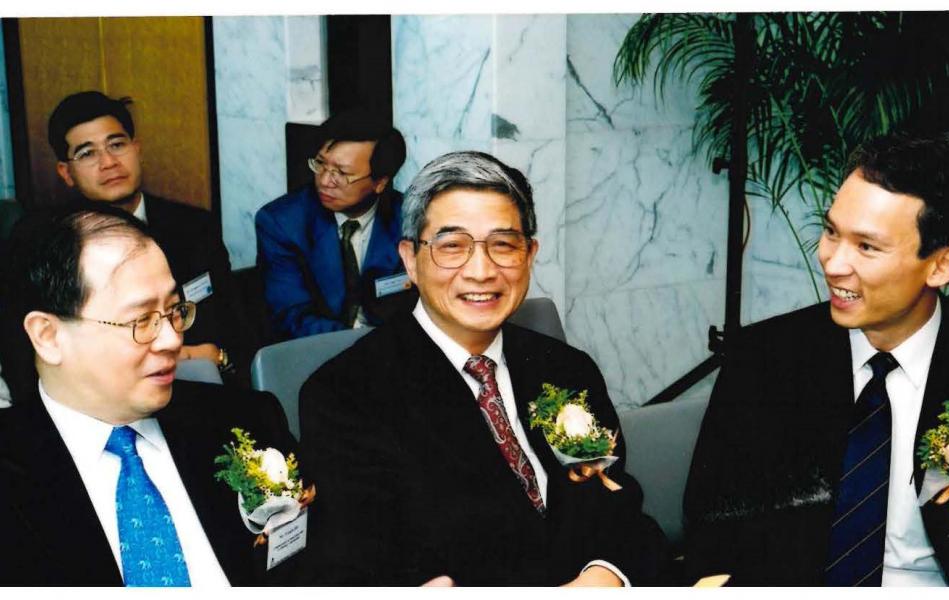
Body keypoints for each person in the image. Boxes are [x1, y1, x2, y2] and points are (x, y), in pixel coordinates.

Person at [299, 151, 667, 586]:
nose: (481, 271)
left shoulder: (566, 368)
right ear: (410, 260)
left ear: (530, 254)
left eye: (504, 245)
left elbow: (618, 503)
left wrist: (604, 576)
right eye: (452, 246)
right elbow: (373, 561)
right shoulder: (345, 394)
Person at [684, 132, 949, 586]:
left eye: (867, 247)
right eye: (831, 231)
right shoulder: (765, 359)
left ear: (942, 265)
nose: (831, 262)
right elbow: (713, 534)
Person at [0, 205, 313, 585]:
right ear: (48, 336)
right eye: (141, 321)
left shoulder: (245, 421)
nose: (172, 340)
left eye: (174, 310)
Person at [47, 91, 253, 383]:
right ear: (66, 172)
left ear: (137, 148)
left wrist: (218, 358)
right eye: (87, 153)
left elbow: (237, 332)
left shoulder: (195, 227)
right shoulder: (49, 242)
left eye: (116, 145)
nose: (108, 162)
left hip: (202, 390)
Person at [256, 109, 415, 340]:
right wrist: (366, 347)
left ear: (380, 183)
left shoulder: (410, 220)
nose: (324, 180)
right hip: (316, 353)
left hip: (396, 354)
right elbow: (292, 318)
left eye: (342, 173)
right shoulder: (282, 222)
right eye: (320, 164)